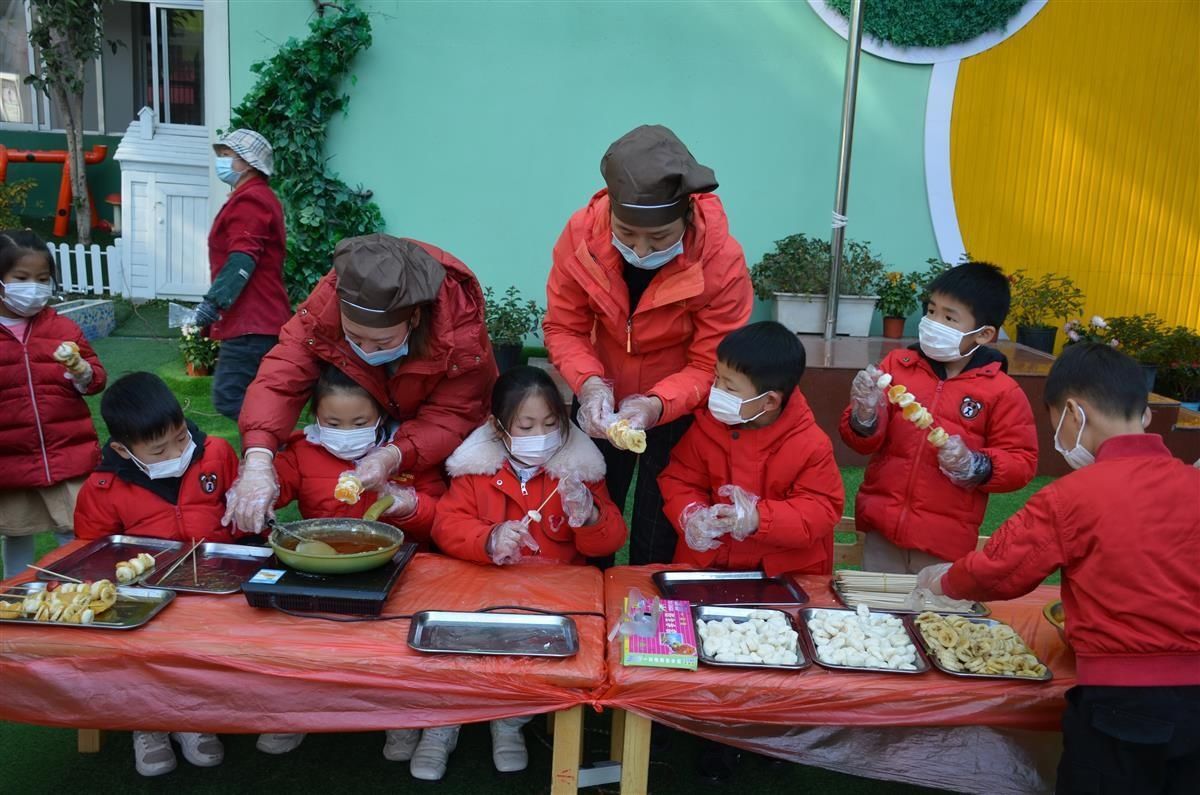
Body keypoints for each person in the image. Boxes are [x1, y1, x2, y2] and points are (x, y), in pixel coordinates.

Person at [915, 343, 1200, 794]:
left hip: (1121, 704)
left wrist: (944, 579)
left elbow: (1000, 570)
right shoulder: (1193, 481)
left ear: (1073, 413)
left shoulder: (1074, 495)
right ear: (1143, 414)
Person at [544, 124, 753, 565]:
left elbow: (711, 362)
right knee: (589, 514)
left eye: (659, 239)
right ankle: (586, 609)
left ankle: (650, 620)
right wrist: (590, 385)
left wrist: (657, 405)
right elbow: (565, 326)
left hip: (678, 402)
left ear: (688, 216)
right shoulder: (582, 236)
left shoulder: (721, 260)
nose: (640, 249)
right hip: (602, 393)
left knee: (660, 525)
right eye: (628, 233)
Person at [420, 366, 625, 781]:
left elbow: (610, 540)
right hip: (481, 589)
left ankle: (509, 721)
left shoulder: (579, 471)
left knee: (534, 656)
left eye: (551, 424)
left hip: (552, 597)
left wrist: (589, 516)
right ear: (499, 428)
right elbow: (446, 524)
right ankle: (442, 724)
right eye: (526, 425)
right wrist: (488, 538)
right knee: (457, 652)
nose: (540, 435)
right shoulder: (476, 470)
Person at [223, 233, 497, 537]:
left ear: (415, 318)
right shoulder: (322, 310)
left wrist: (393, 454)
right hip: (374, 412)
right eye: (354, 336)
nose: (367, 350)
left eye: (383, 342)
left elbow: (451, 414)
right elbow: (280, 380)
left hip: (435, 442)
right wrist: (259, 461)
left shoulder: (461, 337)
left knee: (440, 518)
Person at [254, 366, 449, 758]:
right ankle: (299, 712)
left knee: (397, 649)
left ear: (381, 416)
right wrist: (258, 495)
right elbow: (274, 491)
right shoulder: (303, 454)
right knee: (309, 643)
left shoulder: (405, 454)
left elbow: (442, 516)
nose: (347, 431)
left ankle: (400, 716)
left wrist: (408, 503)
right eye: (333, 422)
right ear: (316, 419)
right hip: (325, 570)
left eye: (359, 422)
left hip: (398, 571)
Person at [73, 372, 243, 776]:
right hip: (145, 596)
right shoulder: (102, 487)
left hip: (214, 584)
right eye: (158, 449)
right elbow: (92, 554)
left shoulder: (216, 453)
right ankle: (147, 721)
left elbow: (240, 517)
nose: (177, 452)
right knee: (142, 652)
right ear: (122, 449)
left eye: (181, 438)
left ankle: (192, 717)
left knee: (207, 648)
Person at [838, 262, 1038, 573]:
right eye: (931, 311)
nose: (933, 322)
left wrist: (976, 464)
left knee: (931, 617)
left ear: (984, 334)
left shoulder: (1001, 391)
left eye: (948, 317)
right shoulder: (898, 364)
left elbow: (1022, 460)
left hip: (943, 541)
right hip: (882, 527)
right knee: (876, 614)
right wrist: (864, 414)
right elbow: (863, 443)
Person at [659, 321, 844, 574]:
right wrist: (691, 514)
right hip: (710, 567)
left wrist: (758, 519)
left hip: (784, 576)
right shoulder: (707, 427)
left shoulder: (811, 444)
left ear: (769, 401)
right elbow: (679, 479)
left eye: (729, 387)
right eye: (716, 378)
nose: (716, 391)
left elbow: (820, 509)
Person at [0, 229, 106, 576]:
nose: (34, 287)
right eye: (22, 278)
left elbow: (96, 379)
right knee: (16, 533)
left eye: (43, 279)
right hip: (10, 460)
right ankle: (19, 592)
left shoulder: (63, 329)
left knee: (73, 529)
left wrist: (83, 374)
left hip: (67, 454)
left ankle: (78, 589)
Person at [193, 129, 292, 420]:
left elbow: (242, 258)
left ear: (247, 163)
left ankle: (271, 451)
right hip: (258, 321)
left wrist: (213, 303)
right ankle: (269, 454)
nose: (221, 161)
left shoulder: (251, 200)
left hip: (252, 322)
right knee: (256, 399)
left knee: (230, 397)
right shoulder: (255, 196)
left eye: (227, 155)